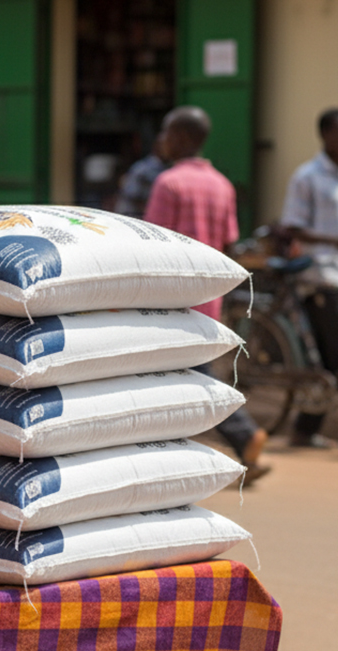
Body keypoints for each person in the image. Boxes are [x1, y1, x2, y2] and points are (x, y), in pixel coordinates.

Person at [144, 106, 269, 481]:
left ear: (180, 137)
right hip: (208, 297)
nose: (162, 140)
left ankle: (243, 435)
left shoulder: (168, 184)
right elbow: (229, 243)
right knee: (183, 373)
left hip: (169, 298)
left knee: (185, 375)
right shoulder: (222, 185)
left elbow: (150, 241)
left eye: (167, 132)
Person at [279, 108, 338, 449]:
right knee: (332, 355)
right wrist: (331, 241)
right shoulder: (309, 177)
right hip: (321, 275)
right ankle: (304, 429)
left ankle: (307, 428)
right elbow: (292, 225)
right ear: (325, 135)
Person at [115, 133, 170, 218]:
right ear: (156, 146)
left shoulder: (166, 168)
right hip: (132, 217)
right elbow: (132, 194)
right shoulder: (143, 169)